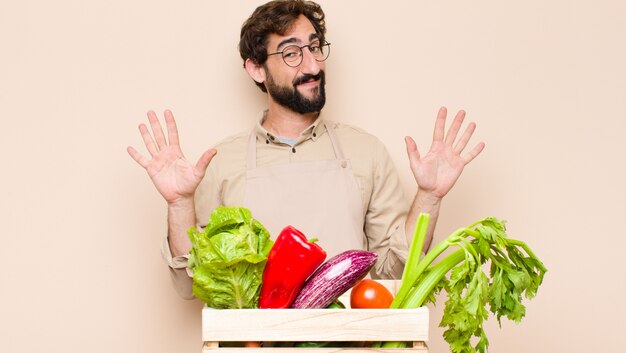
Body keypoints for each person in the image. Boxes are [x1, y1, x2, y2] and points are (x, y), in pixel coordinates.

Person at [127, 0, 484, 299]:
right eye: (291, 53)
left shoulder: (366, 152)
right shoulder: (220, 163)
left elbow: (395, 273)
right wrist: (178, 205)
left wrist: (429, 197)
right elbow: (190, 285)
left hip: (349, 349)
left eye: (314, 47)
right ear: (256, 69)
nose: (313, 65)